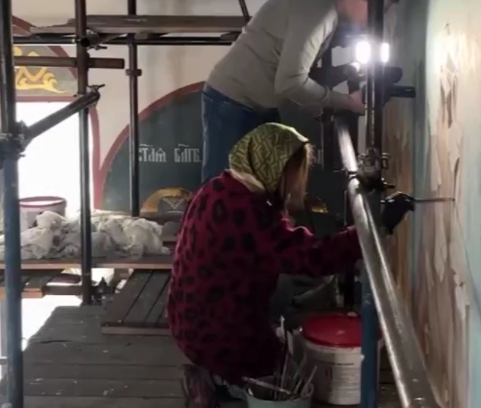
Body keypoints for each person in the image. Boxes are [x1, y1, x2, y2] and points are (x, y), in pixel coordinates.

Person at [168, 123, 413, 407]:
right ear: (273, 168)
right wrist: (377, 225)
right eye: (294, 174)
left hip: (186, 317)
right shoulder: (248, 212)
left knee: (283, 293)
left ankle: (211, 373)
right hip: (215, 332)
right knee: (286, 384)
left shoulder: (218, 187)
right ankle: (216, 382)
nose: (298, 182)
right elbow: (315, 257)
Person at [201, 0, 402, 182]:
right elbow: (291, 82)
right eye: (378, 11)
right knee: (221, 188)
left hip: (256, 104)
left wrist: (342, 73)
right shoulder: (320, 12)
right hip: (232, 102)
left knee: (265, 187)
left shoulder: (321, 1)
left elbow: (295, 73)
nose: (375, 20)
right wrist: (347, 102)